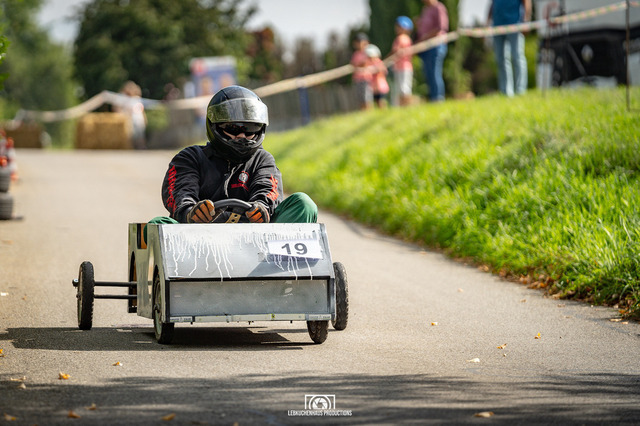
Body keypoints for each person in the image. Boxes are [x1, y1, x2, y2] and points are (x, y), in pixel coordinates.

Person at [153, 85, 317, 226]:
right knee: (157, 225)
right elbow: (181, 194)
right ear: (215, 125)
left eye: (250, 129)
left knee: (304, 203)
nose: (242, 136)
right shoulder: (190, 157)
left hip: (255, 240)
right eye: (233, 128)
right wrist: (191, 212)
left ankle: (283, 254)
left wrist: (261, 208)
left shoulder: (262, 160)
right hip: (199, 238)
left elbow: (267, 192)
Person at [488, 0, 531, 96]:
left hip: (515, 24)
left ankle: (521, 90)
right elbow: (492, 4)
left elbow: (527, 2)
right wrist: (487, 21)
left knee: (517, 57)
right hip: (497, 25)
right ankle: (506, 91)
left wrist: (526, 20)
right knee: (500, 60)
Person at [416, 0, 449, 102]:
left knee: (435, 72)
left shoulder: (439, 8)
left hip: (436, 45)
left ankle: (438, 98)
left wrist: (425, 37)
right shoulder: (425, 9)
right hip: (426, 47)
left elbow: (441, 27)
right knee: (428, 73)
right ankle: (433, 98)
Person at [116, 81, 147, 149]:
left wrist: (144, 119)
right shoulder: (125, 99)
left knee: (140, 134)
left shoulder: (137, 99)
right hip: (132, 119)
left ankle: (141, 146)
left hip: (139, 119)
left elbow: (142, 110)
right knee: (132, 134)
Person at [391, 16, 414, 106]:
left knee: (404, 88)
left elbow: (395, 51)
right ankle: (403, 106)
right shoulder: (406, 39)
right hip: (400, 67)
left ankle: (406, 105)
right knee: (401, 88)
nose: (397, 28)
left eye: (399, 26)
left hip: (404, 67)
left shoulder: (402, 38)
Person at [350, 32, 373, 110]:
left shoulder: (368, 53)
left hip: (365, 78)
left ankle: (368, 109)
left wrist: (359, 65)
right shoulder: (355, 54)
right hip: (357, 78)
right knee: (360, 97)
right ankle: (362, 110)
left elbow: (366, 63)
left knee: (367, 96)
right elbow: (353, 65)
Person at [365, 44, 389, 109]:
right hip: (373, 87)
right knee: (375, 101)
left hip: (380, 86)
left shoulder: (378, 62)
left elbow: (384, 71)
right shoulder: (368, 63)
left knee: (381, 101)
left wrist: (376, 70)